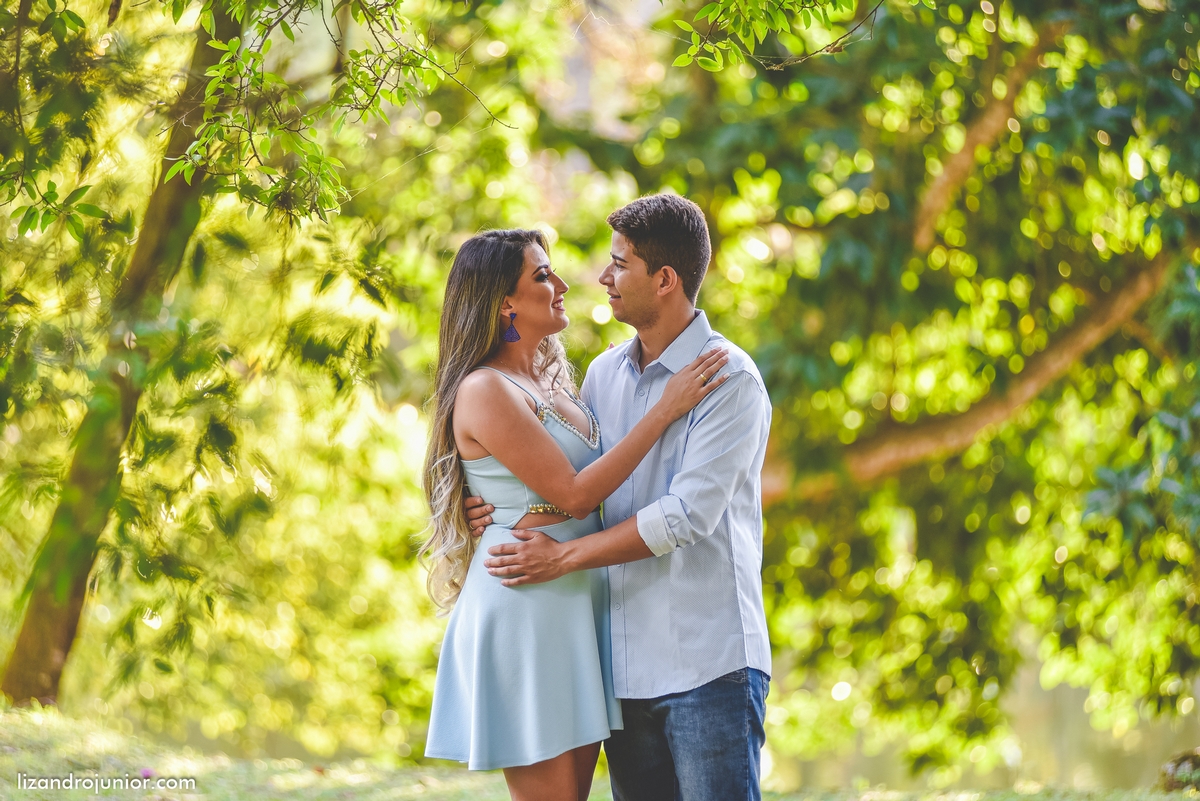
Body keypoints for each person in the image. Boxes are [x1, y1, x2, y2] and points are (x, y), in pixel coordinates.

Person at [467, 194, 773, 801]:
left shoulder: (729, 381)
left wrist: (562, 559)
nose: (602, 277)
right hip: (623, 674)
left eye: (619, 264)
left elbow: (684, 518)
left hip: (708, 668)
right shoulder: (602, 376)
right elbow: (582, 483)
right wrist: (498, 510)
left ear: (664, 279)